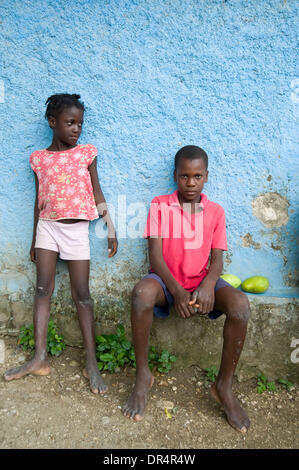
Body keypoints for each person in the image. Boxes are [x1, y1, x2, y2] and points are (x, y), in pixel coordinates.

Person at [122, 145, 250, 433]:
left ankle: (224, 386)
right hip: (167, 283)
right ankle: (143, 376)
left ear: (206, 177)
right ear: (175, 176)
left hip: (202, 281)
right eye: (184, 176)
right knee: (141, 295)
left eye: (197, 176)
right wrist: (177, 292)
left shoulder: (215, 212)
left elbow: (217, 259)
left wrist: (207, 285)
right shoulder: (159, 205)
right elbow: (155, 256)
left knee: (240, 305)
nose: (190, 183)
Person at [4, 93, 118, 394]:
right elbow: (38, 202)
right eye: (70, 123)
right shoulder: (39, 159)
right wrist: (33, 239)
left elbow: (97, 193)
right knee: (42, 289)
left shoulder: (86, 155)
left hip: (77, 231)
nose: (76, 129)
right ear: (53, 123)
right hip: (47, 230)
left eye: (79, 123)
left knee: (83, 295)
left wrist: (111, 227)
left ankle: (91, 363)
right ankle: (39, 358)